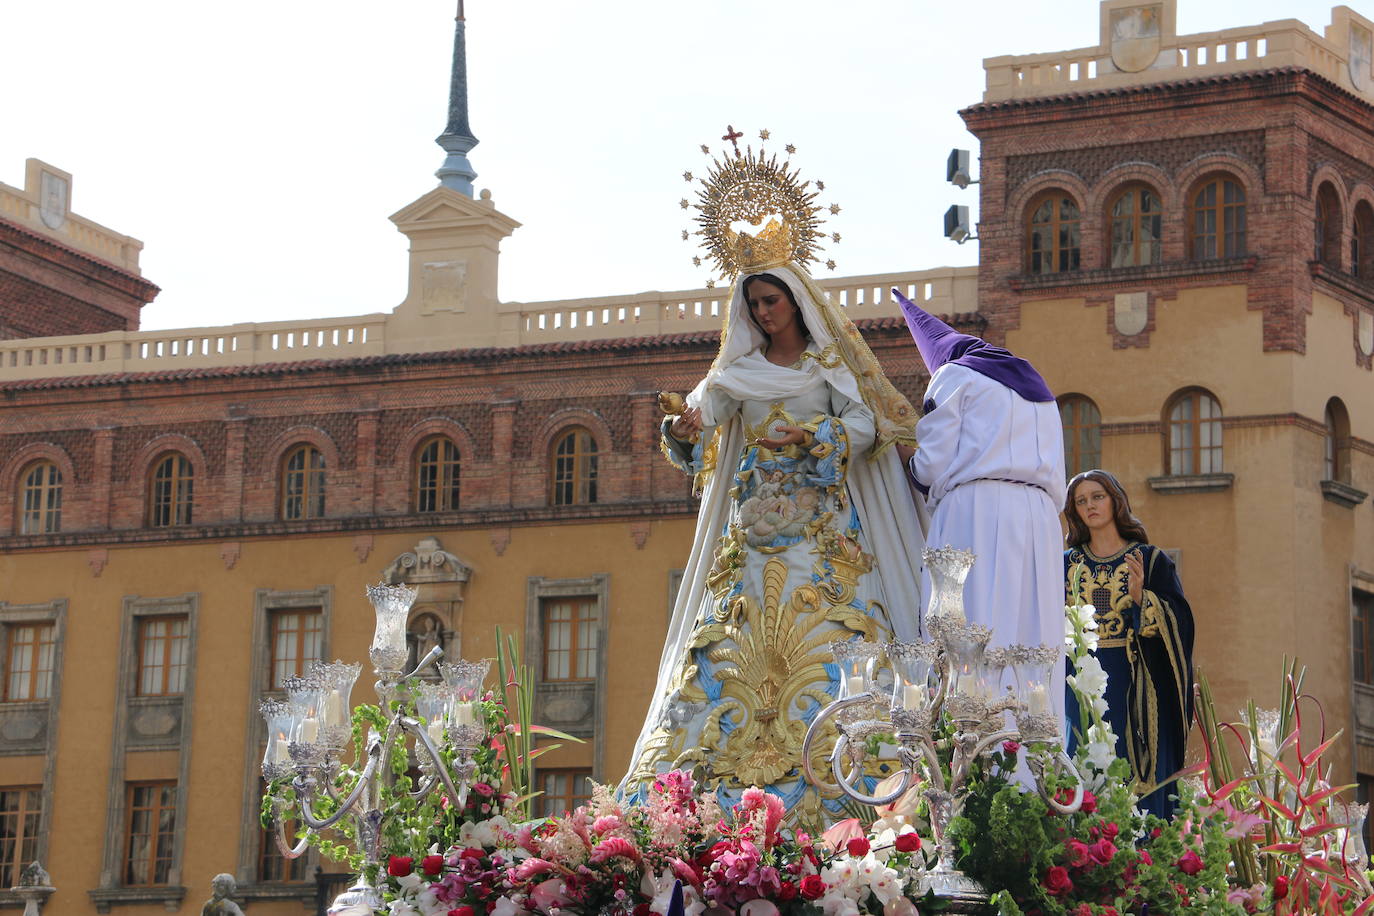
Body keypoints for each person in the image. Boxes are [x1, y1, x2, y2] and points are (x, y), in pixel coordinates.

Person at [621, 266, 927, 823]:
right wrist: (682, 429)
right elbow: (701, 419)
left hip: (823, 530)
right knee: (730, 638)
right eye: (754, 303)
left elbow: (864, 425)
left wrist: (811, 436)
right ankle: (703, 795)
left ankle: (860, 784)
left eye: (771, 300)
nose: (763, 312)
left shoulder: (827, 365)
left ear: (795, 302)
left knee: (836, 632)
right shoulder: (737, 372)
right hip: (754, 530)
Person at [891, 290, 1067, 719]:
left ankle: (976, 750)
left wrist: (902, 460)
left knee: (967, 624)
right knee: (1033, 636)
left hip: (977, 507)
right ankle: (1037, 764)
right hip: (1041, 520)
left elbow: (931, 462)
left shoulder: (954, 374)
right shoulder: (1040, 389)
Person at [1064, 469, 1195, 820]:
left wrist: (1144, 601)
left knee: (1135, 767)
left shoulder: (1150, 561)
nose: (1090, 506)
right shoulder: (1066, 565)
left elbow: (1181, 623)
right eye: (1081, 501)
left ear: (1115, 501)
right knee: (1081, 761)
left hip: (1136, 684)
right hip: (1080, 686)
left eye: (1097, 497)